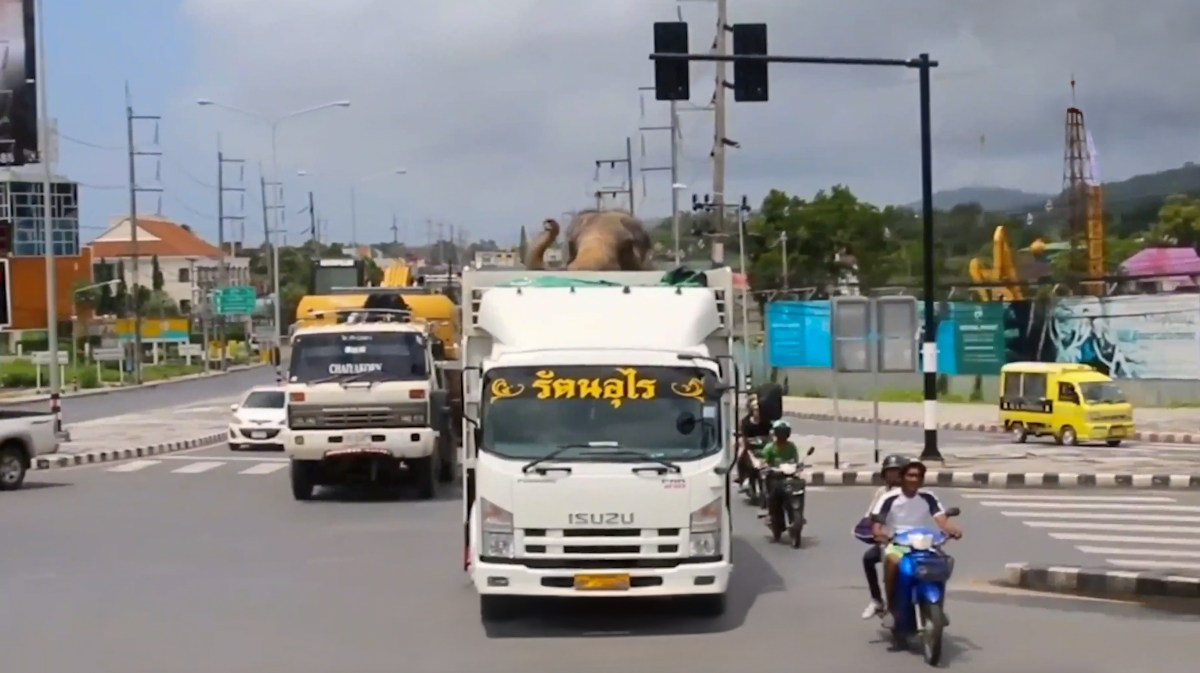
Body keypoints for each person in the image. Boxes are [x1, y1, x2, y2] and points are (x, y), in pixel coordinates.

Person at [871, 460, 963, 632]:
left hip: (923, 541)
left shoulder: (928, 497)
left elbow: (942, 520)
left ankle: (938, 607)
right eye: (910, 475)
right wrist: (880, 535)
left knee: (940, 563)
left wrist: (954, 530)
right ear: (902, 478)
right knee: (892, 562)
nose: (914, 479)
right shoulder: (889, 498)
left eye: (918, 476)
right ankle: (891, 609)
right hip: (897, 542)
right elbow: (877, 523)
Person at [859, 454, 909, 619]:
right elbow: (870, 517)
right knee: (868, 558)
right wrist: (873, 532)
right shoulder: (881, 493)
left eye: (897, 472)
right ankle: (877, 600)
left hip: (912, 541)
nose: (893, 476)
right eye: (890, 472)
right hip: (888, 542)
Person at [758, 420, 801, 514]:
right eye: (780, 432)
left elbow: (795, 460)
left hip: (789, 476)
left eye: (784, 432)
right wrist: (766, 466)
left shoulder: (791, 447)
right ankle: (768, 511)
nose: (782, 436)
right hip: (774, 477)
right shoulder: (769, 448)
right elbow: (763, 462)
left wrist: (798, 466)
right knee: (770, 491)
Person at [735, 401, 772, 489]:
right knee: (740, 455)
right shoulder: (745, 422)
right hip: (749, 446)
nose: (758, 412)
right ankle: (742, 477)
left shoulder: (766, 422)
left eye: (759, 410)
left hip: (763, 446)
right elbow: (742, 436)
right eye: (756, 410)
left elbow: (771, 435)